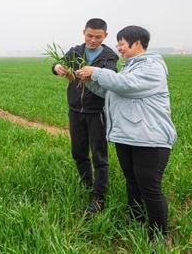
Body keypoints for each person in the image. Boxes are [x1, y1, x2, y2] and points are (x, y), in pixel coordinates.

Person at [77, 25, 177, 242]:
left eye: (121, 43)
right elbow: (112, 90)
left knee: (150, 188)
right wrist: (89, 81)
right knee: (132, 182)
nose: (119, 48)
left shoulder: (152, 66)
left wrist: (96, 71)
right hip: (127, 136)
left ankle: (159, 236)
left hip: (149, 138)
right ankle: (136, 223)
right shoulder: (129, 67)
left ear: (137, 43)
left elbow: (126, 85)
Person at [52, 18, 118, 214]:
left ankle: (99, 197)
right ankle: (87, 185)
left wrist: (94, 72)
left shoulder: (109, 56)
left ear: (105, 36)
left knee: (99, 155)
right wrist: (57, 68)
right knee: (78, 152)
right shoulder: (76, 51)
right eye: (89, 35)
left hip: (96, 112)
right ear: (84, 33)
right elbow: (58, 64)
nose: (93, 40)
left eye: (98, 37)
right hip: (75, 110)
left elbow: (110, 78)